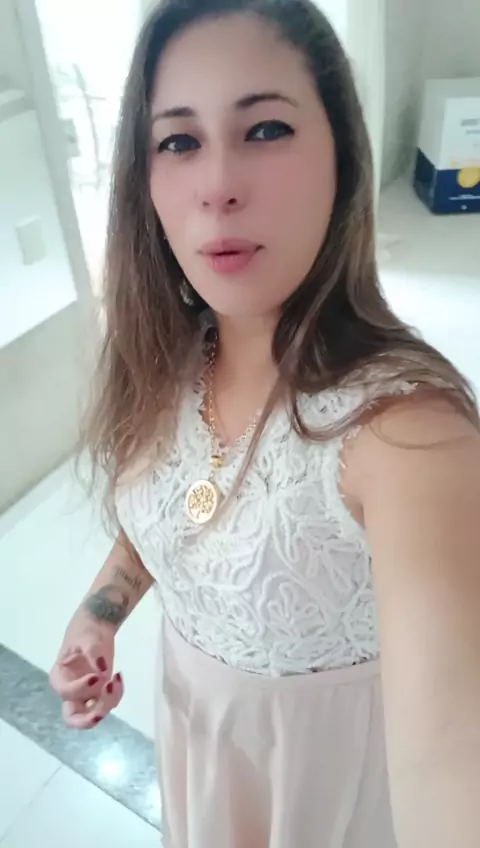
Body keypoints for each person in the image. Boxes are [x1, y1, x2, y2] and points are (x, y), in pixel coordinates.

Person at [49, 0, 480, 845]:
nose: (217, 185)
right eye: (179, 141)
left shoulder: (409, 436)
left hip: (330, 797)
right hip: (201, 753)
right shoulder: (168, 357)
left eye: (266, 129)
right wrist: (102, 610)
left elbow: (452, 759)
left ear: (342, 158)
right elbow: (173, 512)